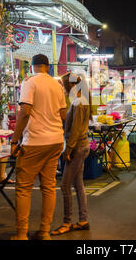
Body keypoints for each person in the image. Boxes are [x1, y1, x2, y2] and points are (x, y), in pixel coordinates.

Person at [10, 54, 67, 240]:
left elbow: (25, 111)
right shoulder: (57, 85)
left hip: (35, 142)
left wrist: (14, 140)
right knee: (49, 187)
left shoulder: (30, 82)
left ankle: (21, 234)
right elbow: (64, 114)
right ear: (48, 66)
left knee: (24, 188)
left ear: (32, 66)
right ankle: (44, 231)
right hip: (55, 141)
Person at [51, 72, 92, 236]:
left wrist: (68, 151)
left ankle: (67, 222)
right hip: (79, 147)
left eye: (63, 86)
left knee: (65, 185)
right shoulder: (79, 101)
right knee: (78, 184)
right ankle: (83, 220)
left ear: (71, 86)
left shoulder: (79, 102)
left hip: (77, 148)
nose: (63, 90)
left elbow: (75, 131)